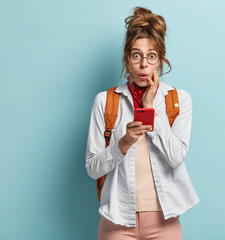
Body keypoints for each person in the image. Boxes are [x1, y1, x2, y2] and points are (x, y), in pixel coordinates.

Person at [85, 6, 199, 240]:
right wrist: (123, 143)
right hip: (117, 220)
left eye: (152, 56)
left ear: (160, 60)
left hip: (164, 220)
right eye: (136, 55)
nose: (144, 65)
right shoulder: (105, 101)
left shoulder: (179, 101)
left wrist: (150, 110)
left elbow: (176, 157)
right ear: (127, 58)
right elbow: (92, 168)